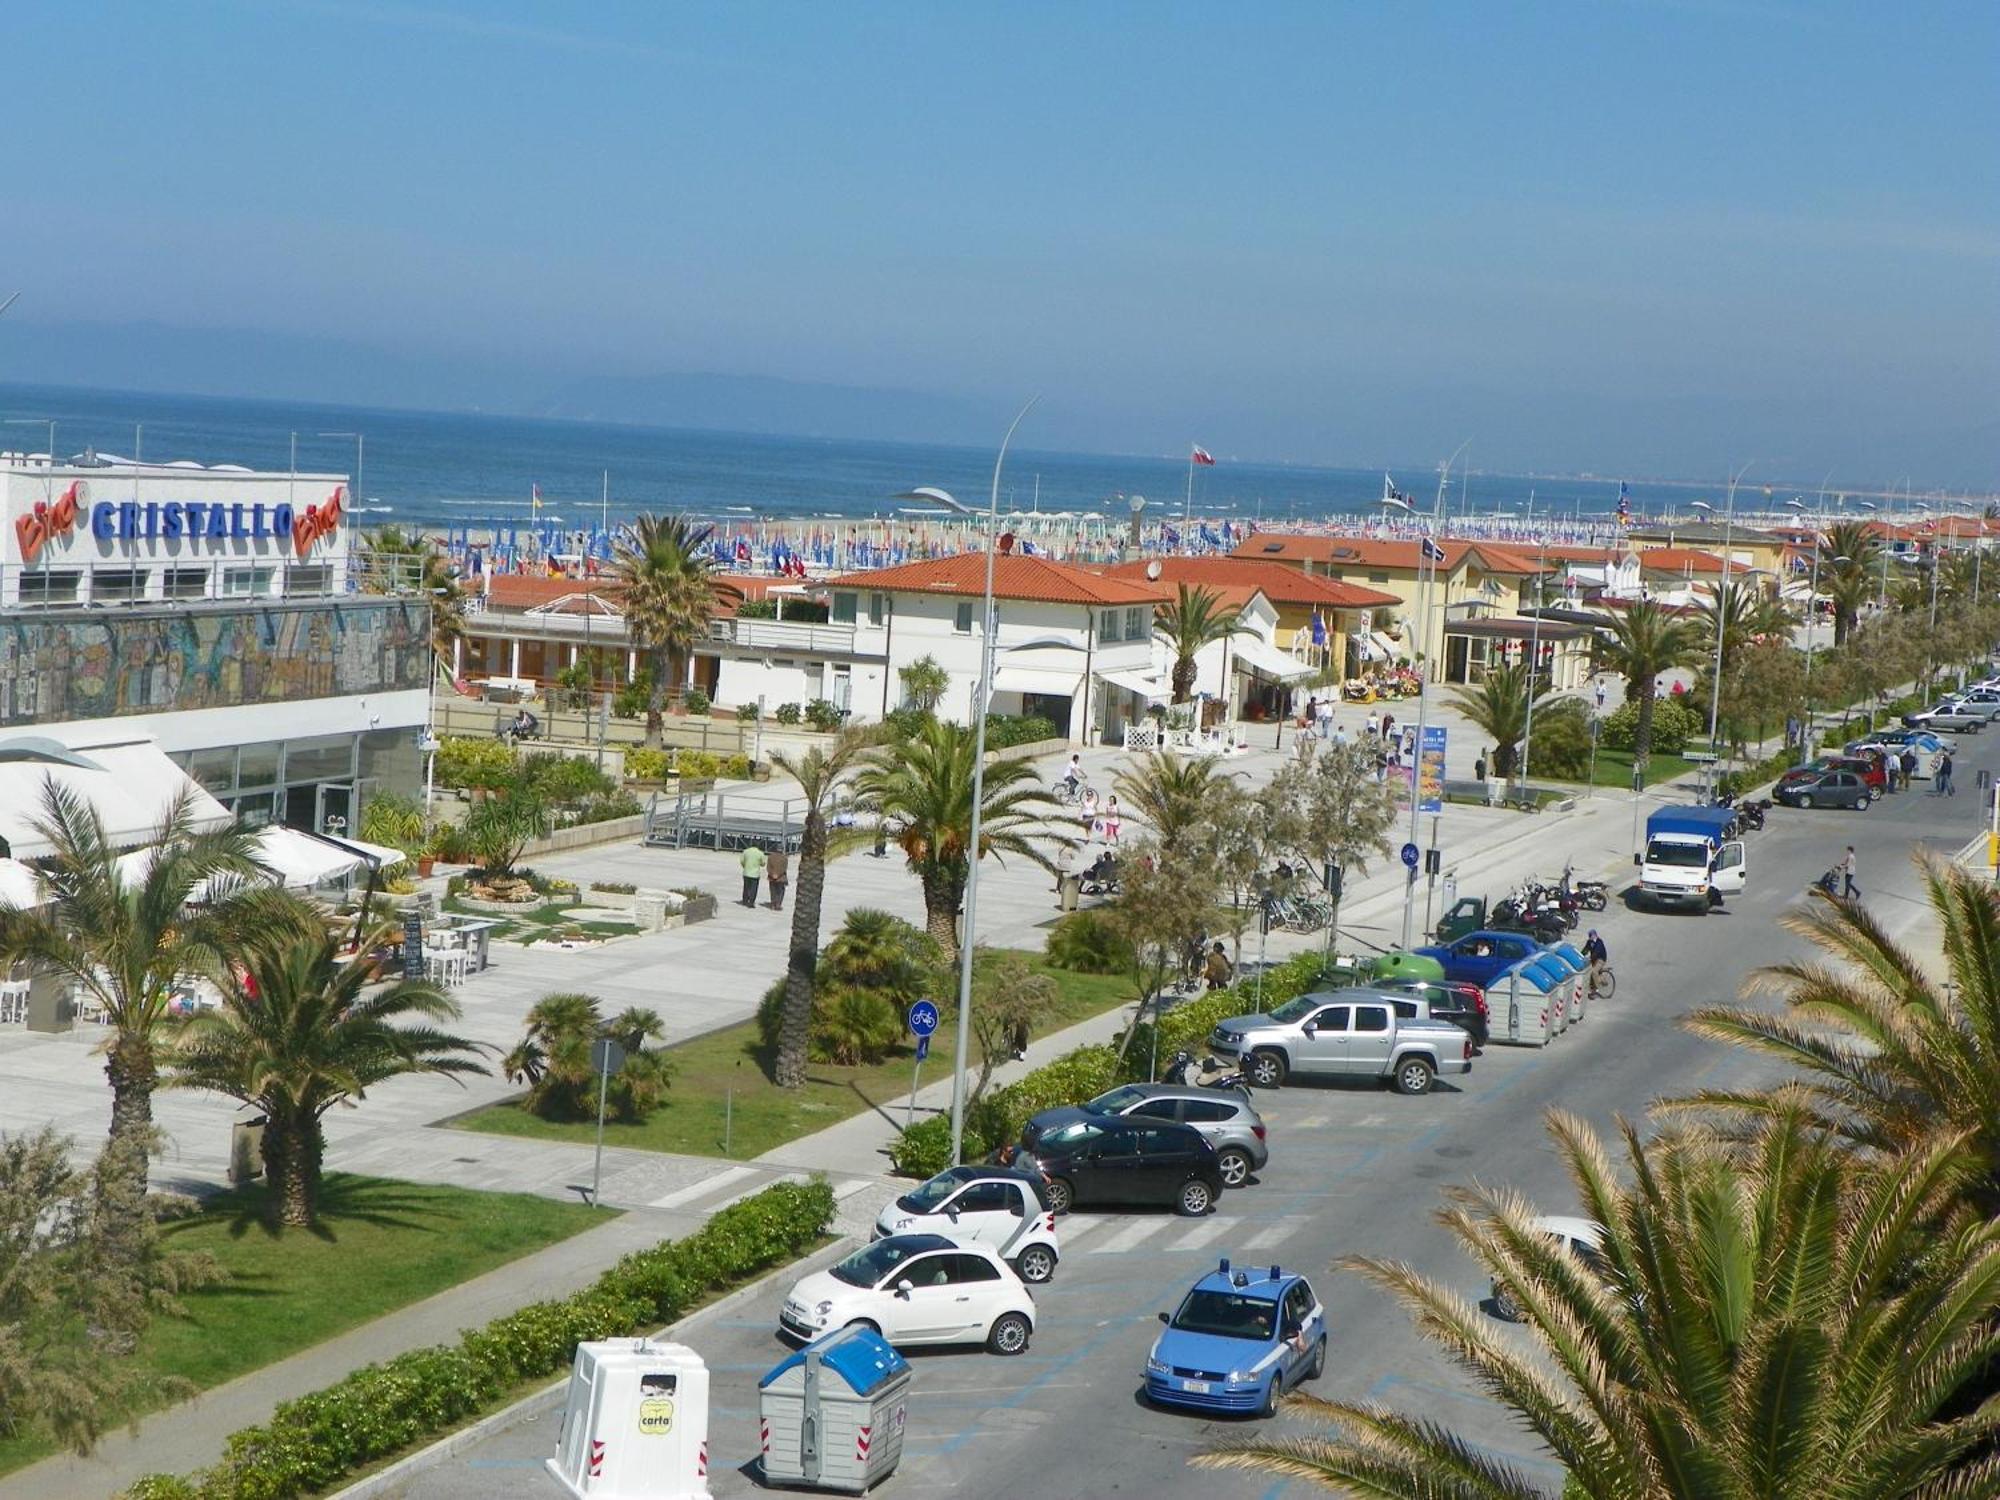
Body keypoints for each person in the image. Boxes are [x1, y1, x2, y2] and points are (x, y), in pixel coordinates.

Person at [739, 842, 767, 907]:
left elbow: (742, 861)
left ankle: (745, 900)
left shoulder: (745, 851)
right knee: (754, 889)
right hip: (755, 874)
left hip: (746, 872)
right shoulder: (760, 853)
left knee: (746, 887)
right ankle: (751, 902)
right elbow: (763, 863)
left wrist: (745, 866)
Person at [1582, 928, 1609, 997]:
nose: (1590, 937)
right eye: (1590, 935)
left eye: (1591, 935)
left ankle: (1596, 990)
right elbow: (1586, 950)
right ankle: (1603, 980)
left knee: (1594, 972)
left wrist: (1590, 958)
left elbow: (1597, 952)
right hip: (1594, 960)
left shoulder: (1599, 942)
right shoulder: (1589, 942)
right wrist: (1581, 955)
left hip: (1601, 959)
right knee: (1594, 973)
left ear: (1595, 935)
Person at [765, 846, 789, 911]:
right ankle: (778, 904)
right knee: (780, 891)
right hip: (781, 877)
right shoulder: (785, 858)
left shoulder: (770, 857)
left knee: (773, 891)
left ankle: (773, 904)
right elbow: (784, 868)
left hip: (771, 877)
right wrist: (778, 875)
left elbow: (768, 867)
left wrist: (772, 874)